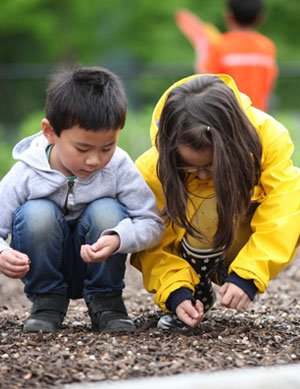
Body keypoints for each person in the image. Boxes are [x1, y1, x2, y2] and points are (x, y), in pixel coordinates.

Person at [0, 66, 164, 333]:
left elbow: (152, 222)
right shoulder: (27, 170)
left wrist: (119, 237)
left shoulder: (119, 166)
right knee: (36, 213)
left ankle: (107, 303)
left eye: (107, 148)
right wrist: (3, 253)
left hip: (100, 265)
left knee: (107, 211)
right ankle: (47, 303)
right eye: (82, 148)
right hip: (47, 266)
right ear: (50, 132)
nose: (94, 160)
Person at [131, 73, 300, 331]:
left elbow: (284, 210)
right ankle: (194, 291)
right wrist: (175, 291)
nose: (201, 174)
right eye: (189, 167)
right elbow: (153, 241)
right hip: (192, 250)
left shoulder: (267, 138)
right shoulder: (152, 168)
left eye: (211, 165)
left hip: (240, 244)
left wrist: (249, 273)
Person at [175, 0, 277, 112]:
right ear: (260, 17)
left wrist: (202, 49)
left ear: (228, 15)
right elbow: (268, 84)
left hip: (227, 117)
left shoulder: (219, 46)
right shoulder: (267, 47)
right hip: (257, 116)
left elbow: (204, 79)